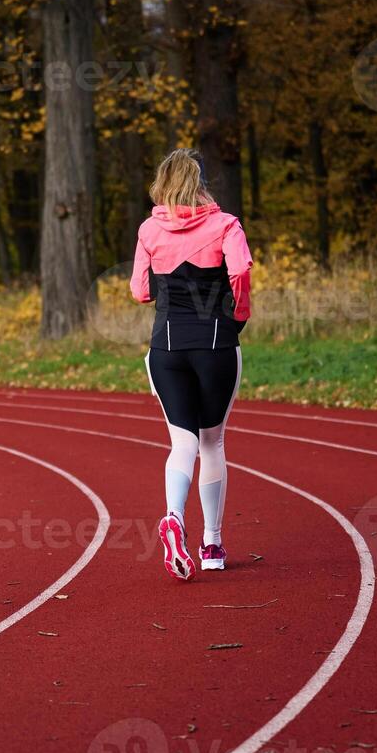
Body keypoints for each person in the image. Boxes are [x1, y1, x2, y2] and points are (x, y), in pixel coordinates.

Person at [129, 148, 252, 580]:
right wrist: (240, 313)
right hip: (215, 343)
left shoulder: (149, 229)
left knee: (181, 442)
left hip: (165, 348)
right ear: (199, 183)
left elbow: (140, 291)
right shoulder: (225, 225)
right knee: (212, 442)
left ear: (162, 182)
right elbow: (239, 272)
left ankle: (173, 517)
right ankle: (212, 544)